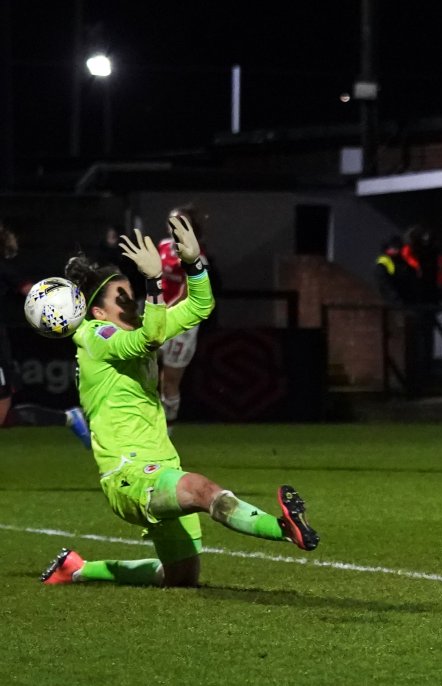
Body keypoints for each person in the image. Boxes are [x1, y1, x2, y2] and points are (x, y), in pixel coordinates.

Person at [40, 215, 318, 588]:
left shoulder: (138, 325)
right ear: (97, 312)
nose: (132, 299)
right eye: (121, 297)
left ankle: (78, 569)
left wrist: (194, 263)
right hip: (129, 475)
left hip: (161, 464)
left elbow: (199, 307)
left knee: (181, 577)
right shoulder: (95, 336)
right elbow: (147, 340)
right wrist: (155, 282)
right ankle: (283, 527)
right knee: (201, 489)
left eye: (133, 292)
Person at [0, 223, 90, 447]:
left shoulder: (4, 268)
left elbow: (33, 291)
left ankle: (69, 418)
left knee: (3, 416)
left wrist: (61, 306)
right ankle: (69, 418)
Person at [156, 205, 208, 432]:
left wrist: (165, 312)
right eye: (171, 221)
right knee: (146, 372)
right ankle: (152, 426)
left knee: (170, 380)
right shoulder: (164, 247)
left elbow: (186, 292)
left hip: (181, 322)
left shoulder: (195, 255)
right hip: (160, 315)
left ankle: (169, 427)